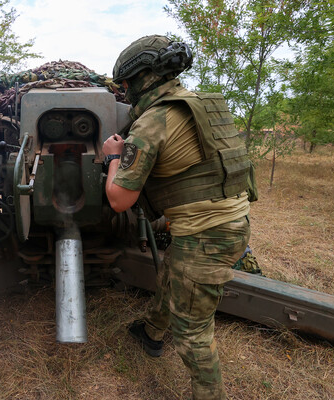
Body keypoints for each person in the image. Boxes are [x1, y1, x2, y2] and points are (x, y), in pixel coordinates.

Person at [103, 35, 253, 399]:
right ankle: (152, 332)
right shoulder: (199, 103)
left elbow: (120, 199)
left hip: (206, 234)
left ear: (144, 77)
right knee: (171, 272)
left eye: (126, 83)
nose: (124, 91)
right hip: (230, 222)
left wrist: (112, 157)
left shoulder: (154, 121)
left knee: (193, 332)